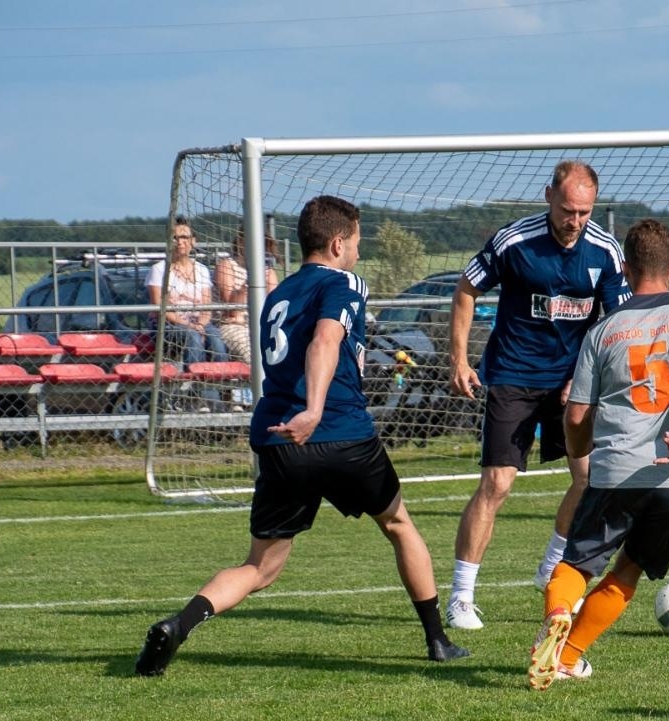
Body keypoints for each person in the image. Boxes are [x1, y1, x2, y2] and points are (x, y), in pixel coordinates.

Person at [135, 195, 470, 677]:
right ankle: (438, 641)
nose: (357, 251)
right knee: (399, 525)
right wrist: (314, 408)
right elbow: (325, 341)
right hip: (338, 431)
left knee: (260, 568)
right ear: (337, 243)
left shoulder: (280, 292)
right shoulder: (346, 281)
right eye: (355, 242)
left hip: (277, 438)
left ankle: (179, 625)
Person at [527, 218, 669, 690]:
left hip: (616, 471)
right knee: (628, 570)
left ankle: (559, 613)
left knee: (575, 566)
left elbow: (575, 415)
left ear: (623, 266)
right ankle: (568, 658)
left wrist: (582, 454)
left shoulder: (603, 330)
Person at [445, 160, 630, 631]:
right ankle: (462, 597)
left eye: (585, 212)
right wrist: (459, 361)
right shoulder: (514, 242)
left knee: (589, 480)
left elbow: (618, 323)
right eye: (568, 209)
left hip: (573, 383)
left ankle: (551, 565)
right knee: (498, 485)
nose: (575, 221)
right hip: (512, 377)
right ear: (548, 196)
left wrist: (591, 376)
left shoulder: (604, 252)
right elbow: (466, 289)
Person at [147, 217, 228, 366]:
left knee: (216, 338)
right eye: (174, 237)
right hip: (168, 326)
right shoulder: (158, 270)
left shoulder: (202, 270)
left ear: (193, 240)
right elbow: (160, 308)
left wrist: (201, 325)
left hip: (198, 323)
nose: (180, 242)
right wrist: (191, 327)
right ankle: (194, 384)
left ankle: (222, 384)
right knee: (192, 336)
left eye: (184, 237)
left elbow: (207, 307)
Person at [214, 228, 280, 361]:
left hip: (260, 323)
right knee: (252, 352)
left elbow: (274, 307)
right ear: (240, 243)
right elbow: (231, 308)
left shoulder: (268, 272)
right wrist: (250, 281)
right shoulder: (226, 266)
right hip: (232, 325)